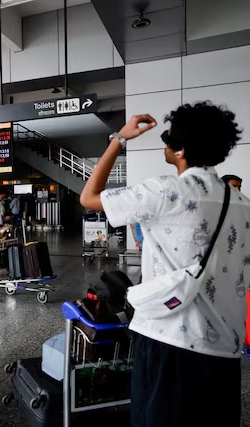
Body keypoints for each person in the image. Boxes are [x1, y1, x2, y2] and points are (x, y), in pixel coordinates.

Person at [79, 103, 247, 427]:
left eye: (167, 137)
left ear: (180, 149)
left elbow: (89, 196)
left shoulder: (166, 191)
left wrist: (120, 138)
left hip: (168, 343)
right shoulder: (241, 204)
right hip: (226, 352)